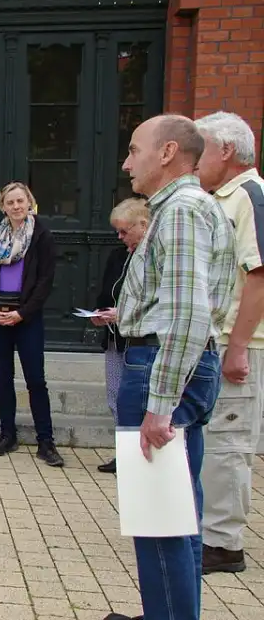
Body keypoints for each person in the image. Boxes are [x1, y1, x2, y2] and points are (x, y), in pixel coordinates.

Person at [105, 114, 236, 620]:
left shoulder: (180, 210)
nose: (126, 161)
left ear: (167, 153)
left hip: (160, 367)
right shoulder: (187, 208)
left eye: (134, 149)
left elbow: (188, 312)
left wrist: (159, 405)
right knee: (179, 512)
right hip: (177, 364)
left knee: (160, 519)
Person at [195, 111, 264, 575]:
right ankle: (208, 530)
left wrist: (236, 346)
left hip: (237, 344)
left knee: (227, 442)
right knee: (213, 439)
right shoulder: (221, 197)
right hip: (217, 340)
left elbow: (258, 274)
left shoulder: (249, 196)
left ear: (226, 150)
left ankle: (224, 543)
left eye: (200, 149)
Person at [0, 182, 63, 467]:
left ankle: (46, 441)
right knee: (3, 379)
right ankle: (7, 434)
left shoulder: (42, 236)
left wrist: (23, 312)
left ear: (30, 203)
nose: (16, 207)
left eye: (20, 201)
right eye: (10, 202)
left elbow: (45, 282)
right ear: (3, 206)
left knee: (35, 380)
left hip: (27, 319)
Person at [90, 197, 150, 473]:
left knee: (136, 399)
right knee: (115, 396)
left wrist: (123, 314)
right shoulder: (118, 255)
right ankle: (124, 453)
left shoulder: (153, 256)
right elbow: (107, 292)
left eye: (125, 231)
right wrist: (99, 313)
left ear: (144, 225)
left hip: (141, 342)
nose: (120, 236)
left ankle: (142, 456)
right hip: (115, 338)